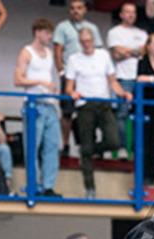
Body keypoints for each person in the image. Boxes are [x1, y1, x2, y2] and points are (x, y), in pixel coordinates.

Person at [66, 28, 132, 199]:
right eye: (83, 41)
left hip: (104, 103)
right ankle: (90, 188)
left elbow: (112, 81)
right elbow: (69, 85)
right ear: (80, 42)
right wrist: (72, 93)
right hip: (85, 104)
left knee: (114, 141)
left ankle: (87, 151)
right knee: (87, 144)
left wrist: (123, 94)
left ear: (93, 40)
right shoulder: (74, 59)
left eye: (88, 40)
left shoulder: (103, 55)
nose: (86, 44)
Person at [14, 18, 62, 198]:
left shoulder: (49, 54)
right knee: (32, 146)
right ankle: (33, 184)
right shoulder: (26, 52)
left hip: (49, 104)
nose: (50, 36)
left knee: (51, 146)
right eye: (47, 33)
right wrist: (40, 82)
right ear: (38, 32)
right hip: (34, 104)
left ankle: (48, 185)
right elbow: (18, 79)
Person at [54, 0, 104, 157]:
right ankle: (66, 145)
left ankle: (91, 145)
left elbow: (99, 52)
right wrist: (61, 72)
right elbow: (58, 51)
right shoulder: (62, 27)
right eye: (72, 8)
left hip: (88, 77)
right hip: (70, 75)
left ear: (85, 10)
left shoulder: (92, 28)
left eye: (78, 8)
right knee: (67, 112)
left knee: (91, 111)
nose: (75, 11)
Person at [107, 1, 148, 156]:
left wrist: (124, 51)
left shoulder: (143, 33)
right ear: (121, 14)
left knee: (140, 116)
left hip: (140, 79)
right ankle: (122, 148)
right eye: (127, 12)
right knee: (121, 114)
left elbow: (145, 54)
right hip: (122, 78)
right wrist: (136, 51)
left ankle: (137, 149)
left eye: (133, 12)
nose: (131, 15)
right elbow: (116, 56)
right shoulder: (114, 32)